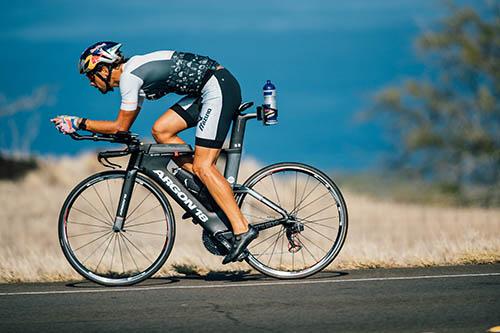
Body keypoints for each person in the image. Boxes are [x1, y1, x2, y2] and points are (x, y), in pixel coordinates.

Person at [51, 41, 257, 264]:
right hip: (209, 88)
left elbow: (120, 126)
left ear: (103, 68)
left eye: (91, 76)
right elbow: (123, 128)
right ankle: (205, 187)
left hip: (218, 88)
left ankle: (242, 229)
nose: (91, 83)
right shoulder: (132, 80)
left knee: (204, 166)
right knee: (161, 130)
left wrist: (80, 122)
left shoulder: (130, 77)